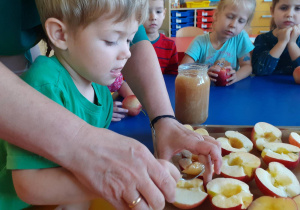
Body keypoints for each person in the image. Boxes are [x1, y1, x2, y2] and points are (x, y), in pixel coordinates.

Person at [0, 0, 222, 209]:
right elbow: (29, 186)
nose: (126, 52)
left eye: (128, 39)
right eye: (111, 40)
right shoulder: (43, 86)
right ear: (60, 34)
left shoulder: (101, 93)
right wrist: (106, 182)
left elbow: (82, 164)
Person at [181, 0, 256, 86]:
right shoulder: (199, 42)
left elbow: (247, 66)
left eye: (241, 21)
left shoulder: (240, 38)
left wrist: (236, 77)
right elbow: (184, 69)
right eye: (230, 17)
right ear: (216, 15)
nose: (233, 25)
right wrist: (203, 75)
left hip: (230, 92)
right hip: (205, 91)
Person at [252, 0, 300, 75]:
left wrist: (292, 43)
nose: (289, 14)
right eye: (283, 8)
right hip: (265, 85)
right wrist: (282, 42)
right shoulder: (262, 39)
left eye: (298, 8)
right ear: (272, 11)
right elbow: (259, 71)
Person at [143, 0, 179, 75]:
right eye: (146, 11)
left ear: (164, 14)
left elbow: (172, 76)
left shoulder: (170, 45)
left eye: (158, 12)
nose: (153, 17)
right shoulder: (129, 43)